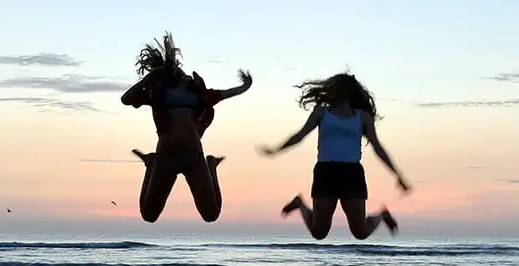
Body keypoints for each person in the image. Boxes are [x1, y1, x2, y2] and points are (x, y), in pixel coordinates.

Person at [257, 72, 410, 240]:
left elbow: (378, 148)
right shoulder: (321, 112)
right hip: (326, 172)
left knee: (360, 232)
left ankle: (382, 215)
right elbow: (299, 136)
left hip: (352, 173)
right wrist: (276, 150)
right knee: (319, 232)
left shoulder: (362, 116)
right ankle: (300, 204)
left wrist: (398, 175)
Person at [120, 33, 253, 223]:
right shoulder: (157, 92)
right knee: (149, 215)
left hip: (193, 158)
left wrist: (245, 86)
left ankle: (211, 165)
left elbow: (224, 94)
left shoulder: (196, 91)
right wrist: (149, 78)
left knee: (211, 215)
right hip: (165, 159)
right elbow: (126, 99)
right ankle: (150, 164)